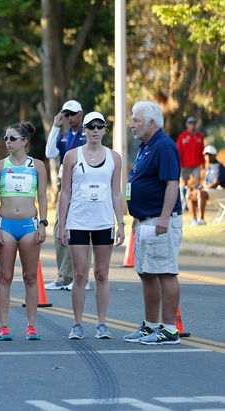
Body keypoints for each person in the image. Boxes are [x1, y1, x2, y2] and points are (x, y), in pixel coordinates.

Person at [56, 112, 126, 340]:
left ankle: (102, 324)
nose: (95, 130)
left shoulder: (114, 158)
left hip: (103, 222)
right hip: (78, 221)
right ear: (84, 130)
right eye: (91, 127)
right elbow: (65, 192)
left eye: (99, 126)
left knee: (102, 273)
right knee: (79, 273)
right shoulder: (72, 156)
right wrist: (61, 224)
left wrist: (121, 223)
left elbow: (116, 192)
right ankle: (77, 323)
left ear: (105, 129)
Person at [124, 101, 184, 345]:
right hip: (145, 221)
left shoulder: (164, 146)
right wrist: (138, 217)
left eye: (136, 120)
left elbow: (172, 183)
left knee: (165, 272)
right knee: (146, 272)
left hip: (161, 221)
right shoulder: (146, 147)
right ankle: (150, 326)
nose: (131, 125)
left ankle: (169, 329)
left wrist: (163, 218)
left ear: (151, 122)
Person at [0, 122, 48, 341]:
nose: (8, 142)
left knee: (30, 277)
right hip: (6, 225)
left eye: (12, 138)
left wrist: (43, 223)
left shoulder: (37, 165)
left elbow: (42, 196)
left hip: (28, 226)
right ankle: (3, 326)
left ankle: (31, 326)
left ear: (24, 141)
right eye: (6, 138)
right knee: (5, 277)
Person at [44, 100, 92, 291]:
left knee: (81, 233)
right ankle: (63, 277)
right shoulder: (63, 137)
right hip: (64, 190)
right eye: (67, 114)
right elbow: (49, 153)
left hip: (81, 190)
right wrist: (55, 126)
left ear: (81, 114)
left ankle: (82, 279)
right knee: (60, 232)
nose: (70, 118)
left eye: (72, 114)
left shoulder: (87, 134)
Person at [185, 145, 225, 225]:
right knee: (189, 194)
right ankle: (194, 220)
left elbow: (216, 183)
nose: (207, 157)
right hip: (210, 191)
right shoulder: (208, 167)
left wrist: (203, 189)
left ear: (214, 155)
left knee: (201, 193)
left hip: (221, 191)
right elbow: (207, 183)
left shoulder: (218, 166)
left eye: (209, 155)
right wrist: (197, 187)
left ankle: (202, 220)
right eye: (206, 155)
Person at [177, 117, 204, 205]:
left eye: (193, 123)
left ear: (195, 124)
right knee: (184, 182)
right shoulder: (182, 136)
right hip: (185, 163)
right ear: (187, 124)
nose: (192, 125)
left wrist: (203, 162)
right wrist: (178, 162)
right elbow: (178, 150)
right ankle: (185, 201)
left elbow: (202, 150)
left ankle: (195, 201)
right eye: (190, 123)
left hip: (196, 163)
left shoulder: (199, 137)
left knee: (197, 182)